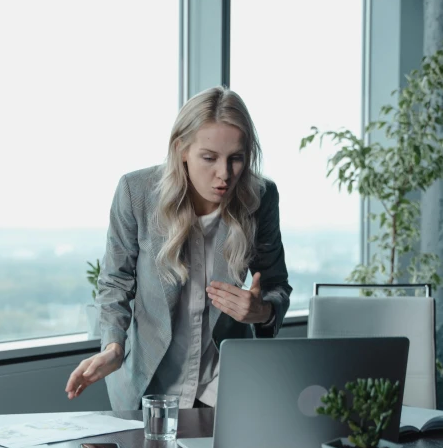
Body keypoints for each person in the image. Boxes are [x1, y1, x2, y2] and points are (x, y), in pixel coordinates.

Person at [65, 86, 292, 411]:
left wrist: (263, 311)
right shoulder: (136, 192)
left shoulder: (261, 197)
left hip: (224, 389)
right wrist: (113, 346)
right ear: (181, 149)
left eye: (236, 159)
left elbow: (276, 286)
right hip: (148, 388)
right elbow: (116, 282)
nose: (224, 174)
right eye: (209, 158)